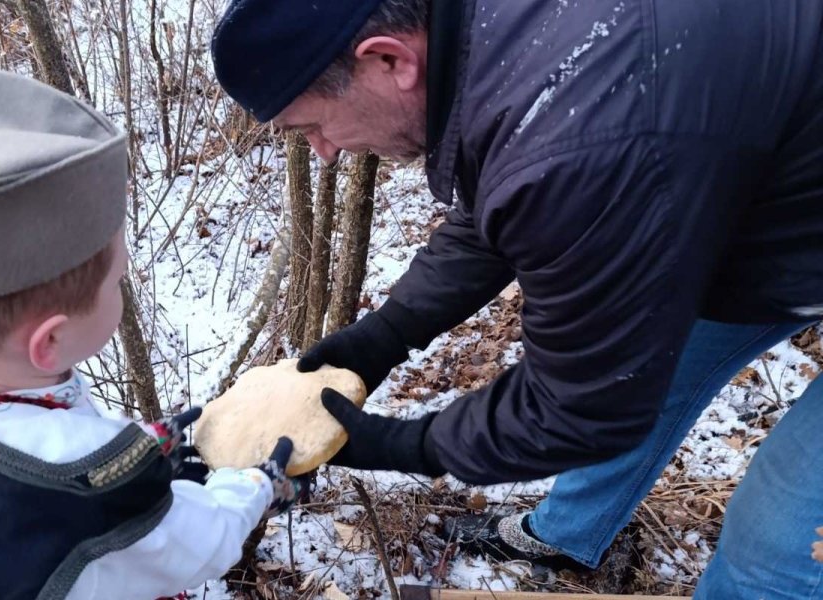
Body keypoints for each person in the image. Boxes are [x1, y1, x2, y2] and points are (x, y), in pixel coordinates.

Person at [211, 0, 823, 596]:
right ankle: (567, 533)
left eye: (311, 125)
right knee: (652, 365)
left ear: (390, 60)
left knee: (771, 552)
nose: (323, 149)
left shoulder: (585, 135)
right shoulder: (492, 39)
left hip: (771, 208)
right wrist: (390, 332)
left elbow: (582, 404)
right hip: (760, 200)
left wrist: (414, 445)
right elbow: (510, 198)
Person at [0, 70, 305, 600]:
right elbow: (201, 540)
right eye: (117, 280)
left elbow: (21, 442)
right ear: (49, 342)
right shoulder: (71, 495)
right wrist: (256, 484)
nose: (124, 283)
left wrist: (143, 454)